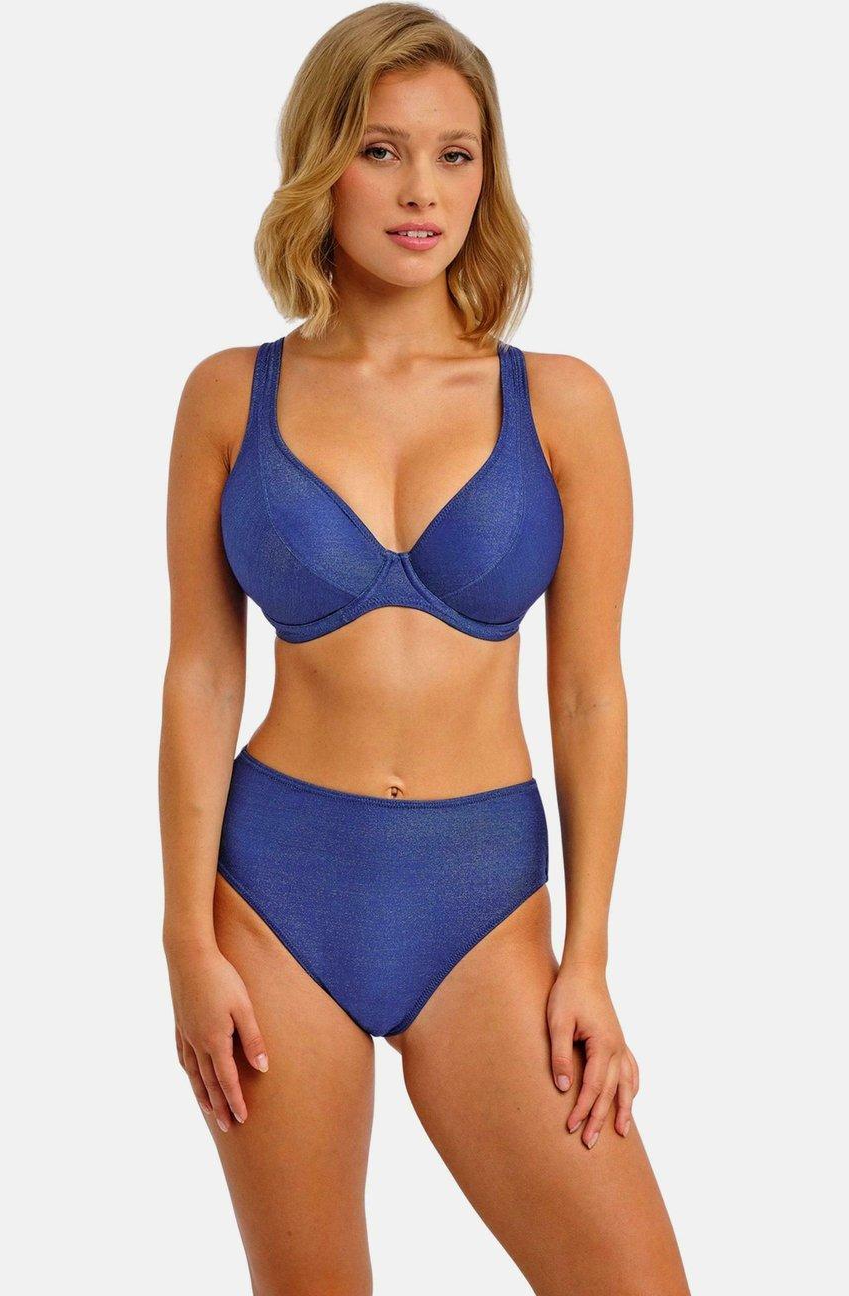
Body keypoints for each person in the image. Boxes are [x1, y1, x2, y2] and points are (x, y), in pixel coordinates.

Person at [159, 5, 692, 1292]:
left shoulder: (560, 403)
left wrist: (589, 955)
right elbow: (202, 673)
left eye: (456, 155)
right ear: (322, 163)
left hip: (483, 900)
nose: (422, 192)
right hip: (275, 894)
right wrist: (185, 939)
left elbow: (589, 690)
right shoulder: (230, 395)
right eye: (382, 150)